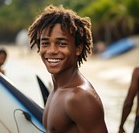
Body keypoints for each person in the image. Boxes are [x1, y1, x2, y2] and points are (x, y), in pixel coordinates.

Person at [28, 5, 108, 133]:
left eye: (61, 43)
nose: (52, 51)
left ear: (78, 48)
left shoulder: (79, 97)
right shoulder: (57, 89)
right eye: (45, 43)